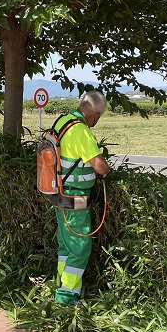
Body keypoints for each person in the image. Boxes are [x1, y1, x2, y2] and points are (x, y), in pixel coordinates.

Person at [53, 91, 111, 306]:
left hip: (58, 193)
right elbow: (99, 165)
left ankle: (61, 284)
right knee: (80, 246)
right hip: (75, 196)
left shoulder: (63, 121)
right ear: (95, 115)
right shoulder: (81, 130)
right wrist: (106, 170)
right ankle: (67, 296)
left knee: (65, 245)